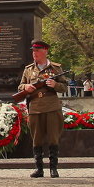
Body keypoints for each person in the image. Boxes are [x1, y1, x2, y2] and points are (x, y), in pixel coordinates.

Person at [17, 40, 68, 178]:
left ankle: (53, 168)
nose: (35, 54)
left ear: (45, 51)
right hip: (35, 108)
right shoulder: (28, 69)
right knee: (37, 139)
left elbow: (64, 87)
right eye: (33, 51)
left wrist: (55, 84)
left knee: (53, 138)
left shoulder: (55, 68)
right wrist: (25, 87)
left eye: (38, 51)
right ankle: (39, 169)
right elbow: (20, 86)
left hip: (52, 107)